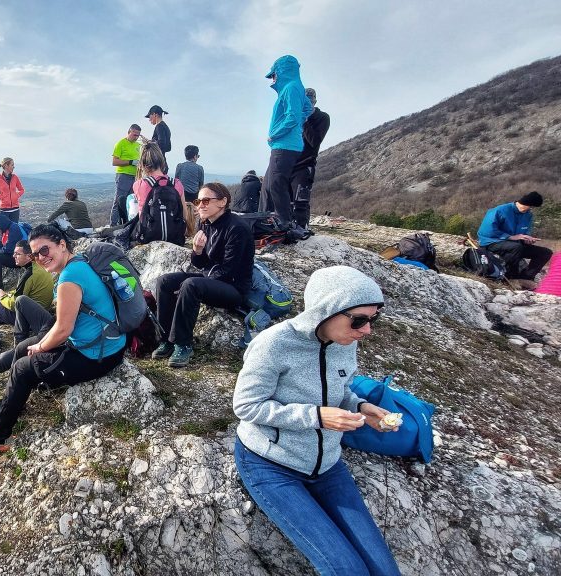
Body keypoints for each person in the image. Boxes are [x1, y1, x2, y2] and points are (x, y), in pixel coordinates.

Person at [233, 265, 401, 575]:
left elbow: (341, 391)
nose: (367, 330)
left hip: (327, 465)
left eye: (372, 320)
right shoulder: (274, 344)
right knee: (348, 571)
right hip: (270, 464)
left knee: (385, 571)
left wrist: (362, 407)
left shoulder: (344, 343)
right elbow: (247, 406)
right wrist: (316, 416)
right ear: (327, 310)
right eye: (359, 320)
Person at [0, 225, 127, 454]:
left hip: (98, 355)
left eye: (44, 251)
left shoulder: (69, 277)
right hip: (101, 342)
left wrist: (41, 346)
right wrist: (37, 344)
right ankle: (8, 404)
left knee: (23, 368)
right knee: (23, 348)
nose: (40, 258)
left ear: (62, 245)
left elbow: (64, 329)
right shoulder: (78, 264)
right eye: (35, 254)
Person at [152, 183, 254, 367]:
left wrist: (201, 279)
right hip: (212, 279)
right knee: (164, 282)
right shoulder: (205, 224)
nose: (200, 206)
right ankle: (166, 339)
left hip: (234, 287)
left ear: (223, 202)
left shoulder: (237, 228)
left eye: (206, 200)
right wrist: (197, 251)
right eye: (198, 201)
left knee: (190, 285)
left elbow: (229, 271)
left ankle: (183, 344)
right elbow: (200, 263)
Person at [260, 55, 312, 229]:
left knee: (276, 184)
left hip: (283, 145)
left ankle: (284, 223)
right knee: (274, 184)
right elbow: (308, 109)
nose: (273, 79)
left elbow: (292, 116)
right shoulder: (297, 87)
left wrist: (274, 134)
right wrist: (300, 122)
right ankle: (281, 220)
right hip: (290, 145)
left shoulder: (290, 88)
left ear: (281, 71)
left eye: (273, 74)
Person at [477, 191, 553, 281]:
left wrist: (527, 238)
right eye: (530, 206)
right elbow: (486, 231)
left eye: (531, 208)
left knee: (545, 252)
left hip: (515, 244)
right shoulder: (499, 210)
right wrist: (510, 237)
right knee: (516, 247)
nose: (529, 209)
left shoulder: (528, 215)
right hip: (491, 242)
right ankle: (508, 276)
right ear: (525, 203)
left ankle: (526, 278)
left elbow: (524, 232)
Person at [289, 88, 331, 228]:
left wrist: (305, 120)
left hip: (305, 165)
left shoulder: (323, 117)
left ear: (314, 102)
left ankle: (302, 229)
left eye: (309, 102)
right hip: (289, 165)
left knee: (300, 201)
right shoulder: (295, 117)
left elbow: (314, 141)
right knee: (285, 200)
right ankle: (287, 228)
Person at [0, 213, 30, 293]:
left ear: (1, 225)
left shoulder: (14, 229)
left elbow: (9, 248)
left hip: (20, 259)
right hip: (13, 254)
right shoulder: (4, 230)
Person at [110, 124, 142, 225]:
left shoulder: (138, 146)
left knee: (131, 201)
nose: (136, 137)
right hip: (123, 175)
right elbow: (114, 162)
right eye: (134, 135)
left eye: (138, 135)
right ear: (129, 132)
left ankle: (128, 224)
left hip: (136, 176)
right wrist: (130, 162)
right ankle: (113, 224)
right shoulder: (120, 143)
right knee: (119, 200)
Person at [0, 157, 25, 223]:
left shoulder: (15, 177)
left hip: (15, 209)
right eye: (12, 165)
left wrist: (16, 196)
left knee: (14, 230)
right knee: (3, 231)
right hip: (3, 210)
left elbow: (22, 190)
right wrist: (3, 198)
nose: (13, 167)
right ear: (6, 165)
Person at [145, 104, 172, 172]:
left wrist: (148, 143)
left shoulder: (159, 126)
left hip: (157, 164)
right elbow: (168, 148)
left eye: (149, 117)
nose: (149, 120)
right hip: (163, 163)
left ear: (154, 114)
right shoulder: (165, 127)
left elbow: (161, 143)